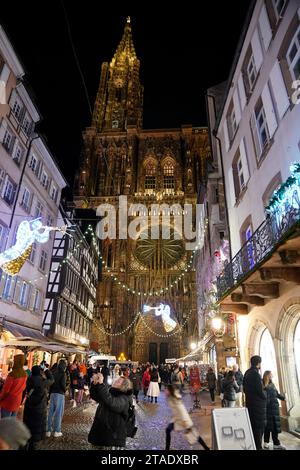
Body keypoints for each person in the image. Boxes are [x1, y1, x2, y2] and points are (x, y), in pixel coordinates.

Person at [88, 373, 133, 450]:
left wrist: (101, 384)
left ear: (123, 386)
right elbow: (95, 396)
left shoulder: (125, 398)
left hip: (113, 438)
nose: (116, 381)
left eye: (119, 381)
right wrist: (95, 384)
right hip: (101, 435)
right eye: (117, 380)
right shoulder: (110, 392)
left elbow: (112, 403)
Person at [165, 385, 210, 451]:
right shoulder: (171, 398)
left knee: (195, 435)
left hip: (183, 420)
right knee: (168, 430)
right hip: (177, 420)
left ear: (169, 391)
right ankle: (167, 448)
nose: (165, 391)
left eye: (166, 390)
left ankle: (206, 448)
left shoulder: (175, 399)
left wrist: (185, 421)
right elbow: (176, 411)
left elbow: (181, 410)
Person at [23, 365, 54, 450]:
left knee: (28, 425)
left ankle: (26, 443)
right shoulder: (42, 381)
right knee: (36, 427)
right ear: (39, 372)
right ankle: (33, 445)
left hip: (29, 406)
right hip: (39, 408)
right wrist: (46, 370)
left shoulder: (29, 380)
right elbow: (52, 380)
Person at [243, 355, 267, 450]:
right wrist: (265, 396)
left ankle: (255, 445)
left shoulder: (247, 372)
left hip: (250, 403)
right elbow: (259, 391)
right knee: (258, 428)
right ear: (258, 363)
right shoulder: (256, 374)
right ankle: (258, 447)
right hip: (257, 405)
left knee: (253, 426)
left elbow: (244, 387)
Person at [263, 371, 286, 450]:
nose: (272, 375)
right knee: (268, 427)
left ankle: (276, 443)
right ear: (268, 376)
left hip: (274, 409)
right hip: (268, 409)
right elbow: (265, 398)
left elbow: (276, 394)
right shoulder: (264, 385)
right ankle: (266, 442)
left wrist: (283, 397)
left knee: (274, 427)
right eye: (271, 374)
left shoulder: (272, 384)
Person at [0, 354, 27, 418]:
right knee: (12, 422)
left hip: (8, 401)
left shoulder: (12, 374)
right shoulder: (25, 374)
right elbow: (24, 387)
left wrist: (0, 398)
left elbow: (6, 390)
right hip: (17, 400)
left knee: (5, 422)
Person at [47, 359, 67, 438]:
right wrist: (65, 390)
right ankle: (57, 431)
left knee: (50, 412)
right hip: (60, 394)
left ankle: (48, 430)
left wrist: (49, 394)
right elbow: (63, 384)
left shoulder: (54, 372)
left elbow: (51, 384)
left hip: (52, 393)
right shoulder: (63, 373)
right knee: (58, 413)